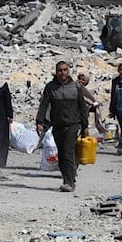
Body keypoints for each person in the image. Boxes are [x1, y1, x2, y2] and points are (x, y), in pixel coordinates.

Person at [35, 61, 89, 192]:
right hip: (57, 124)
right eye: (60, 70)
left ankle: (69, 182)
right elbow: (44, 105)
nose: (62, 73)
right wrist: (39, 122)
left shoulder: (76, 87)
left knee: (68, 151)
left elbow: (82, 107)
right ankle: (68, 177)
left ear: (68, 71)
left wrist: (85, 125)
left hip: (73, 124)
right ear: (56, 72)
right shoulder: (50, 87)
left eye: (65, 70)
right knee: (61, 152)